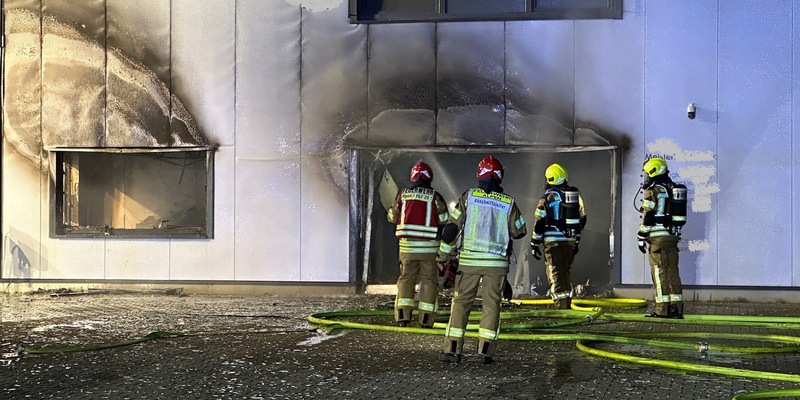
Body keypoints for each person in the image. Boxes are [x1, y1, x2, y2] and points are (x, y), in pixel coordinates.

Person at [437, 155, 527, 364]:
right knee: (491, 306)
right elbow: (520, 231)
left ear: (479, 174)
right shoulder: (509, 203)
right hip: (496, 265)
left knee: (460, 304)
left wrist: (442, 256)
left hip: (469, 262)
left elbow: (451, 229)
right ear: (499, 177)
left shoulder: (468, 197)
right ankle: (485, 352)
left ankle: (452, 351)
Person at [387, 161, 450, 327]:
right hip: (429, 249)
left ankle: (402, 317)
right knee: (429, 281)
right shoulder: (435, 197)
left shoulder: (402, 195)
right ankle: (426, 320)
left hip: (407, 248)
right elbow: (444, 222)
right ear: (430, 178)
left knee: (406, 279)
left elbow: (393, 217)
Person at [530, 163, 587, 310]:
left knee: (555, 274)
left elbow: (539, 222)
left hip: (552, 243)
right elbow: (582, 219)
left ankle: (561, 309)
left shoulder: (546, 198)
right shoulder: (574, 198)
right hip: (569, 242)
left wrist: (534, 242)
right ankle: (567, 305)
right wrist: (576, 240)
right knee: (565, 272)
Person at [637, 157, 688, 319]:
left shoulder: (653, 190)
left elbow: (648, 215)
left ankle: (662, 309)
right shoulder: (673, 188)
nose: (647, 178)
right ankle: (676, 309)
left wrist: (641, 235)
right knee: (672, 270)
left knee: (659, 272)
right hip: (672, 236)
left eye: (648, 174)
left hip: (657, 238)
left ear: (654, 172)